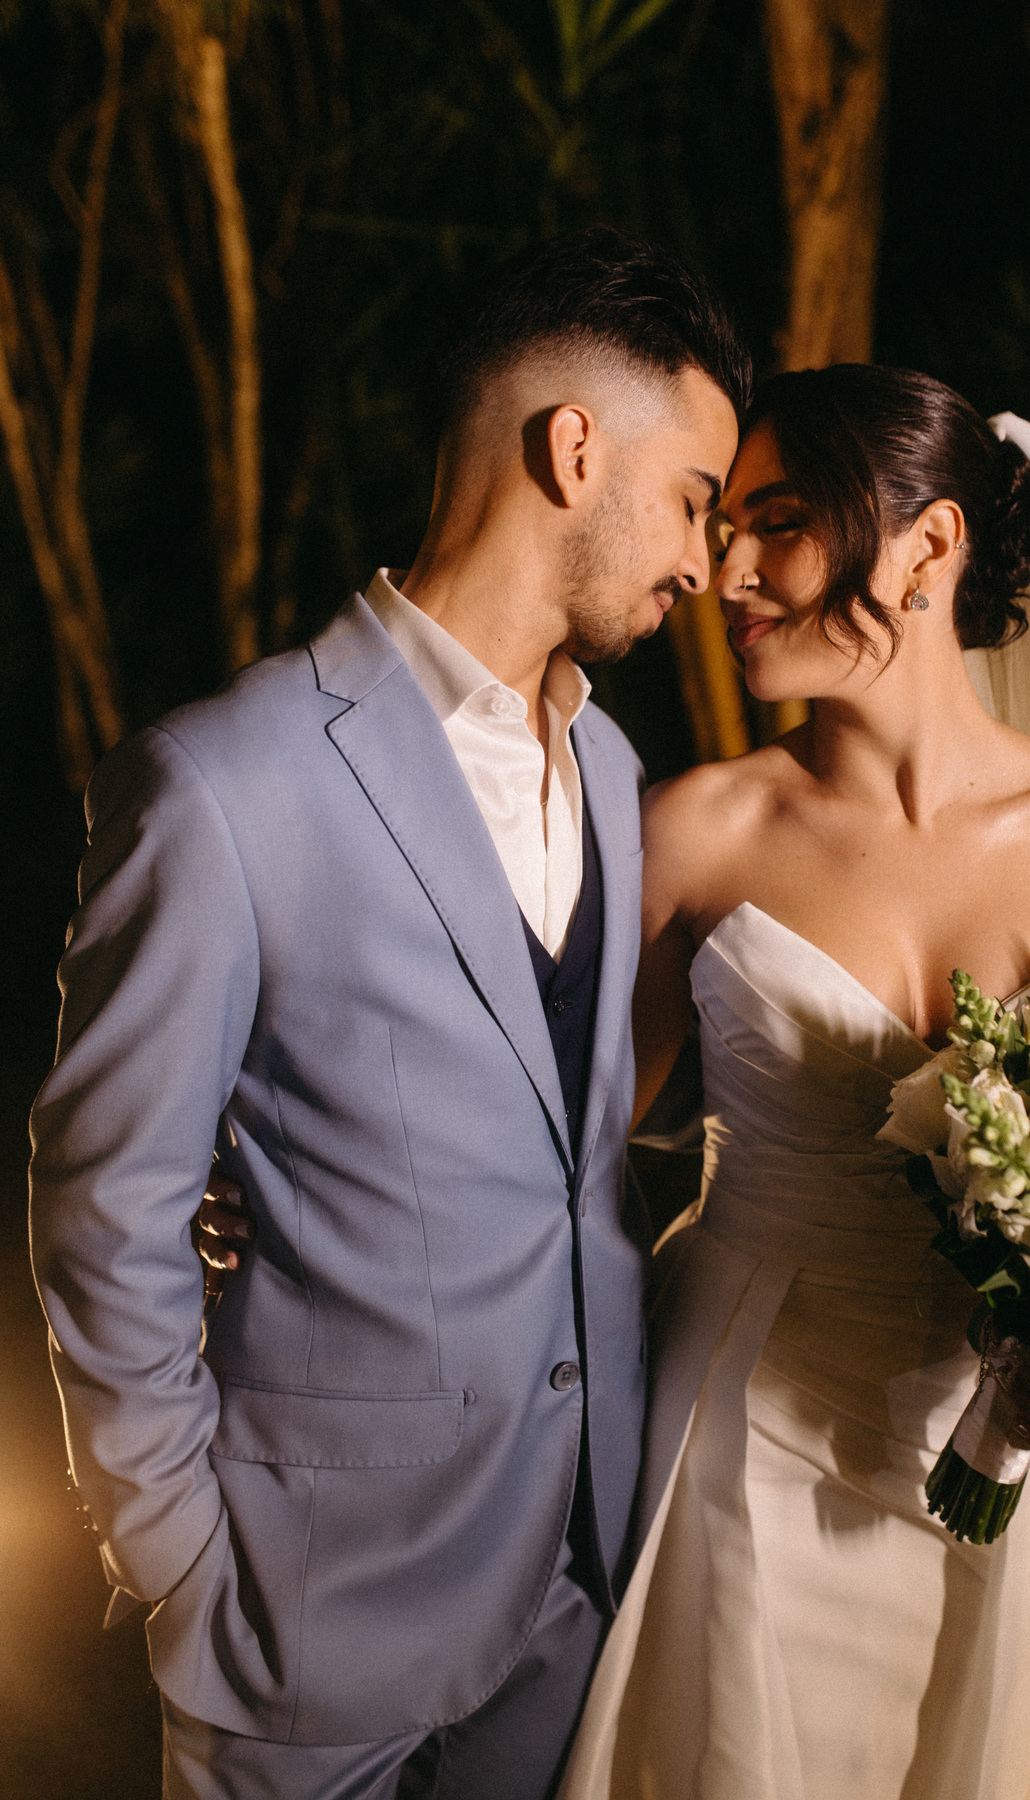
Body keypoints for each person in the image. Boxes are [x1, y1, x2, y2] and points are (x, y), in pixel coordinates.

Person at [27, 226, 747, 1800]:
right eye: (694, 498)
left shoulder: (614, 770)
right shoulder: (223, 782)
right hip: (301, 1613)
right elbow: (105, 1202)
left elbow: (564, 1138)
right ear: (573, 451)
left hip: (568, 1588)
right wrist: (173, 1553)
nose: (705, 562)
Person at [556, 366, 1030, 1800]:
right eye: (726, 525)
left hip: (1019, 1462)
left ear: (929, 545)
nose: (726, 571)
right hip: (743, 1438)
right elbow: (562, 1161)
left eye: (779, 522)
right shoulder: (694, 834)